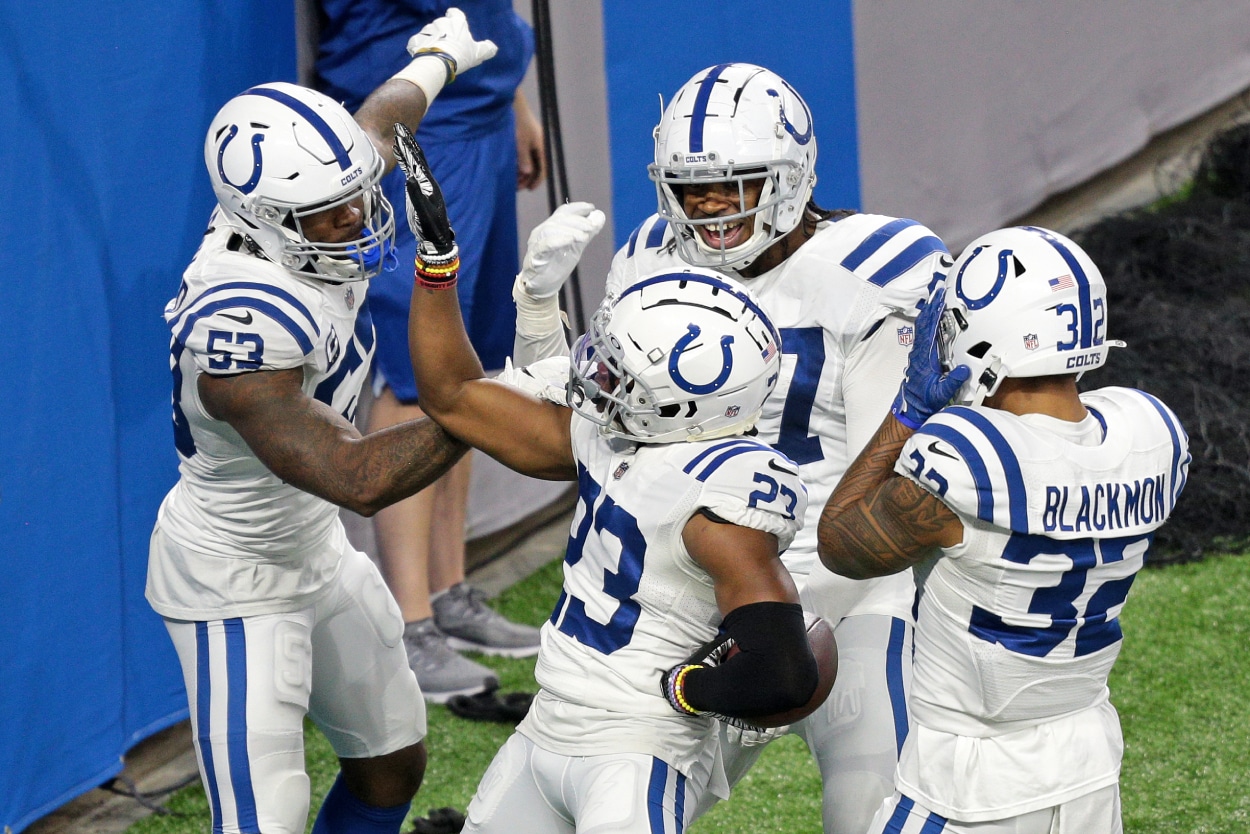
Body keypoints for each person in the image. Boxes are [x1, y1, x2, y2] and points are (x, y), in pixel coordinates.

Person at [511, 62, 949, 834]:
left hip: (843, 576)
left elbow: (895, 462)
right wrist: (539, 308)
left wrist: (802, 619)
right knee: (605, 797)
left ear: (790, 177)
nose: (708, 205)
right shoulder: (650, 257)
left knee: (873, 805)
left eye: (733, 183)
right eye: (689, 187)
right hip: (690, 585)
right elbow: (582, 413)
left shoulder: (875, 271)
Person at [393, 125, 831, 833]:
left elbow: (784, 669)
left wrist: (687, 689)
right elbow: (450, 394)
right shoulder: (621, 430)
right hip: (547, 724)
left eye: (619, 371)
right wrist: (438, 262)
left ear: (680, 403)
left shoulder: (724, 494)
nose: (597, 373)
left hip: (634, 753)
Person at [145, 14, 498, 834]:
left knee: (393, 761)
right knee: (267, 819)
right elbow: (358, 477)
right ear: (264, 218)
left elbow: (378, 124)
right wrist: (498, 403)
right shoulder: (238, 317)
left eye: (355, 197)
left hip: (312, 546)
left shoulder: (311, 197)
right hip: (234, 579)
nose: (356, 217)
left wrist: (439, 59)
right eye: (331, 213)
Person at [818, 226, 1191, 833]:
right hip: (1088, 758)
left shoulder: (967, 458)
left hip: (972, 777)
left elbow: (840, 543)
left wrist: (909, 412)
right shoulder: (1149, 433)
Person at [316, 0, 549, 701]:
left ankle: (450, 592)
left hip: (478, 112)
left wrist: (514, 97)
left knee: (467, 370)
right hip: (416, 126)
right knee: (414, 372)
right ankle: (408, 624)